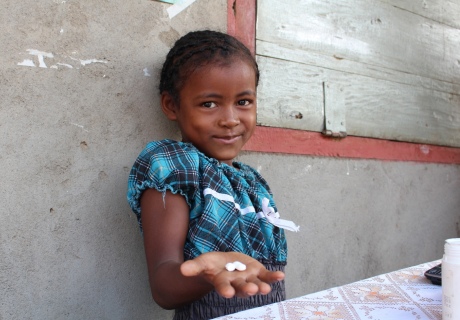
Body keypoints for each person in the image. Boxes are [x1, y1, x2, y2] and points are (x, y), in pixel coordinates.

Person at [127, 30, 299, 320]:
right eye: (209, 104)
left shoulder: (252, 184)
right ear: (171, 105)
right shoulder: (174, 167)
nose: (230, 119)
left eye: (243, 102)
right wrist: (208, 275)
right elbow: (163, 287)